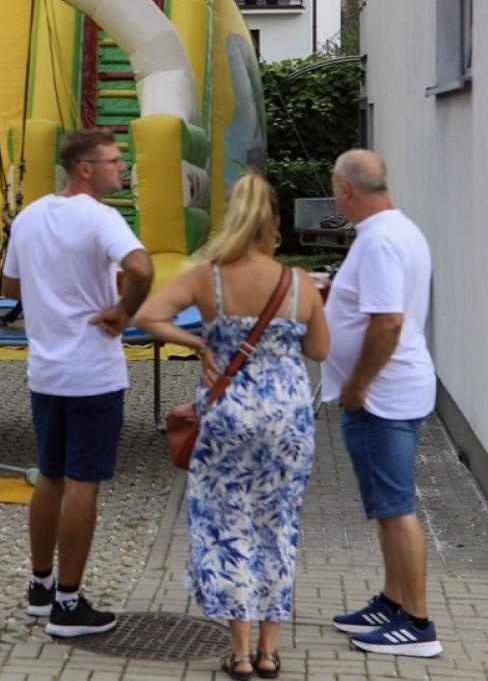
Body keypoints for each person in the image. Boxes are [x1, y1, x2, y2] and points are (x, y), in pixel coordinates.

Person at [133, 172, 330, 679]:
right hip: (287, 419)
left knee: (227, 526)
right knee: (278, 526)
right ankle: (270, 651)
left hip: (227, 417)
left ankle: (239, 654)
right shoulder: (298, 282)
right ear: (276, 225)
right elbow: (320, 350)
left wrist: (199, 343)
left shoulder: (208, 278)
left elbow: (148, 316)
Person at [2, 128, 186, 639]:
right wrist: (124, 309)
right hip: (93, 371)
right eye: (113, 161)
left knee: (50, 475)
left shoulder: (31, 216)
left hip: (46, 369)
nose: (122, 168)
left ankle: (40, 587)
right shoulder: (103, 218)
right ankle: (69, 604)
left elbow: (12, 284)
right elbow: (142, 267)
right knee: (84, 482)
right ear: (85, 168)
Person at [324, 149, 442, 658]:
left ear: (346, 189)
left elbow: (388, 321)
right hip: (392, 391)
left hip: (383, 396)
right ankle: (393, 603)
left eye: (334, 187)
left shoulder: (379, 243)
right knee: (385, 507)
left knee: (396, 510)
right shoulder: (397, 230)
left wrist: (357, 385)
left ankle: (417, 624)